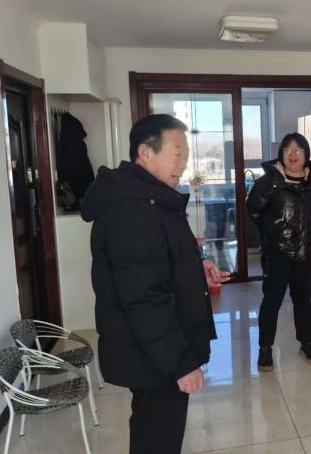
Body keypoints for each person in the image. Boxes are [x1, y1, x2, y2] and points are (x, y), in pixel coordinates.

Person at [81, 114, 230, 454]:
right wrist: (182, 364)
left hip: (151, 353)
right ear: (145, 152)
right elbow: (145, 298)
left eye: (186, 154)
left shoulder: (149, 199)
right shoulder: (133, 211)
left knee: (155, 433)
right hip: (154, 358)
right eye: (177, 152)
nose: (184, 162)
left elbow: (153, 267)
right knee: (158, 439)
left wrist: (194, 269)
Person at [246, 133, 311, 371]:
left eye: (298, 149)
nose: (293, 154)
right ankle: (265, 347)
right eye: (287, 149)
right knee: (272, 302)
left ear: (306, 155)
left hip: (305, 254)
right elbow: (253, 212)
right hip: (278, 254)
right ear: (281, 153)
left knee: (303, 301)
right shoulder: (268, 182)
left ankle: (307, 343)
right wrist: (271, 234)